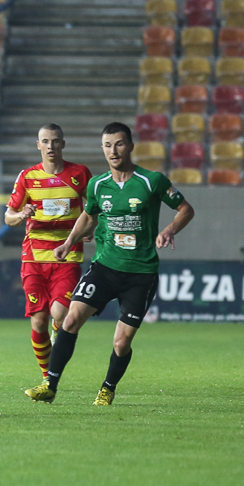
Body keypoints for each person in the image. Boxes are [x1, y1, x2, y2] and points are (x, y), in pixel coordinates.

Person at [25, 122, 195, 406]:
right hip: (104, 267)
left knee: (121, 342)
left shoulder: (152, 181)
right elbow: (89, 216)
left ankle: (108, 387)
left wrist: (169, 230)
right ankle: (50, 385)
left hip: (140, 273)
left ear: (130, 146)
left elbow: (185, 209)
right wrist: (68, 242)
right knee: (70, 320)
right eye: (107, 145)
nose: (113, 151)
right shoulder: (97, 184)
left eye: (118, 144)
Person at [4, 124, 92, 393]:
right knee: (38, 321)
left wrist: (90, 229)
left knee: (60, 314)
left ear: (63, 144)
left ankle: (56, 340)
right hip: (33, 258)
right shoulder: (27, 176)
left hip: (67, 256)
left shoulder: (79, 174)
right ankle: (47, 378)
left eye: (55, 141)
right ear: (38, 145)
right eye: (45, 141)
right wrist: (21, 215)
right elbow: (8, 217)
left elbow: (95, 208)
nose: (50, 146)